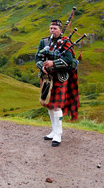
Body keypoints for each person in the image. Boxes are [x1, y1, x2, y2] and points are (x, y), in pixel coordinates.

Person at [35, 19, 79, 147]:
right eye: (50, 28)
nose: (52, 31)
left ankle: (58, 134)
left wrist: (53, 63)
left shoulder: (66, 42)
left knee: (57, 106)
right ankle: (53, 131)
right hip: (46, 77)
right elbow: (37, 57)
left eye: (55, 29)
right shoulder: (44, 41)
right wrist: (41, 66)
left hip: (60, 77)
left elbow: (68, 60)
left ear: (60, 30)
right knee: (48, 104)